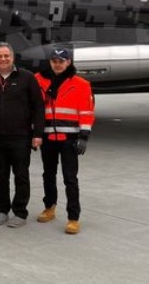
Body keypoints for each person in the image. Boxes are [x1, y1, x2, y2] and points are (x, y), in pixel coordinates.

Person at [0, 42, 44, 228]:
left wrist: (37, 133)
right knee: (0, 176)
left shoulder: (27, 78)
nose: (3, 59)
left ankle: (20, 212)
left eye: (6, 56)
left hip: (21, 137)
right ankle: (2, 210)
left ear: (12, 58)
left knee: (21, 175)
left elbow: (38, 107)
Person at [34, 48, 94, 235]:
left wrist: (83, 137)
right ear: (50, 62)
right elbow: (34, 108)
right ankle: (49, 207)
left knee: (70, 179)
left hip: (69, 138)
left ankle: (73, 218)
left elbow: (86, 111)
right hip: (47, 137)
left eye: (62, 60)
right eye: (54, 60)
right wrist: (34, 133)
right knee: (48, 175)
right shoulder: (38, 80)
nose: (58, 64)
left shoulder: (81, 84)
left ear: (68, 62)